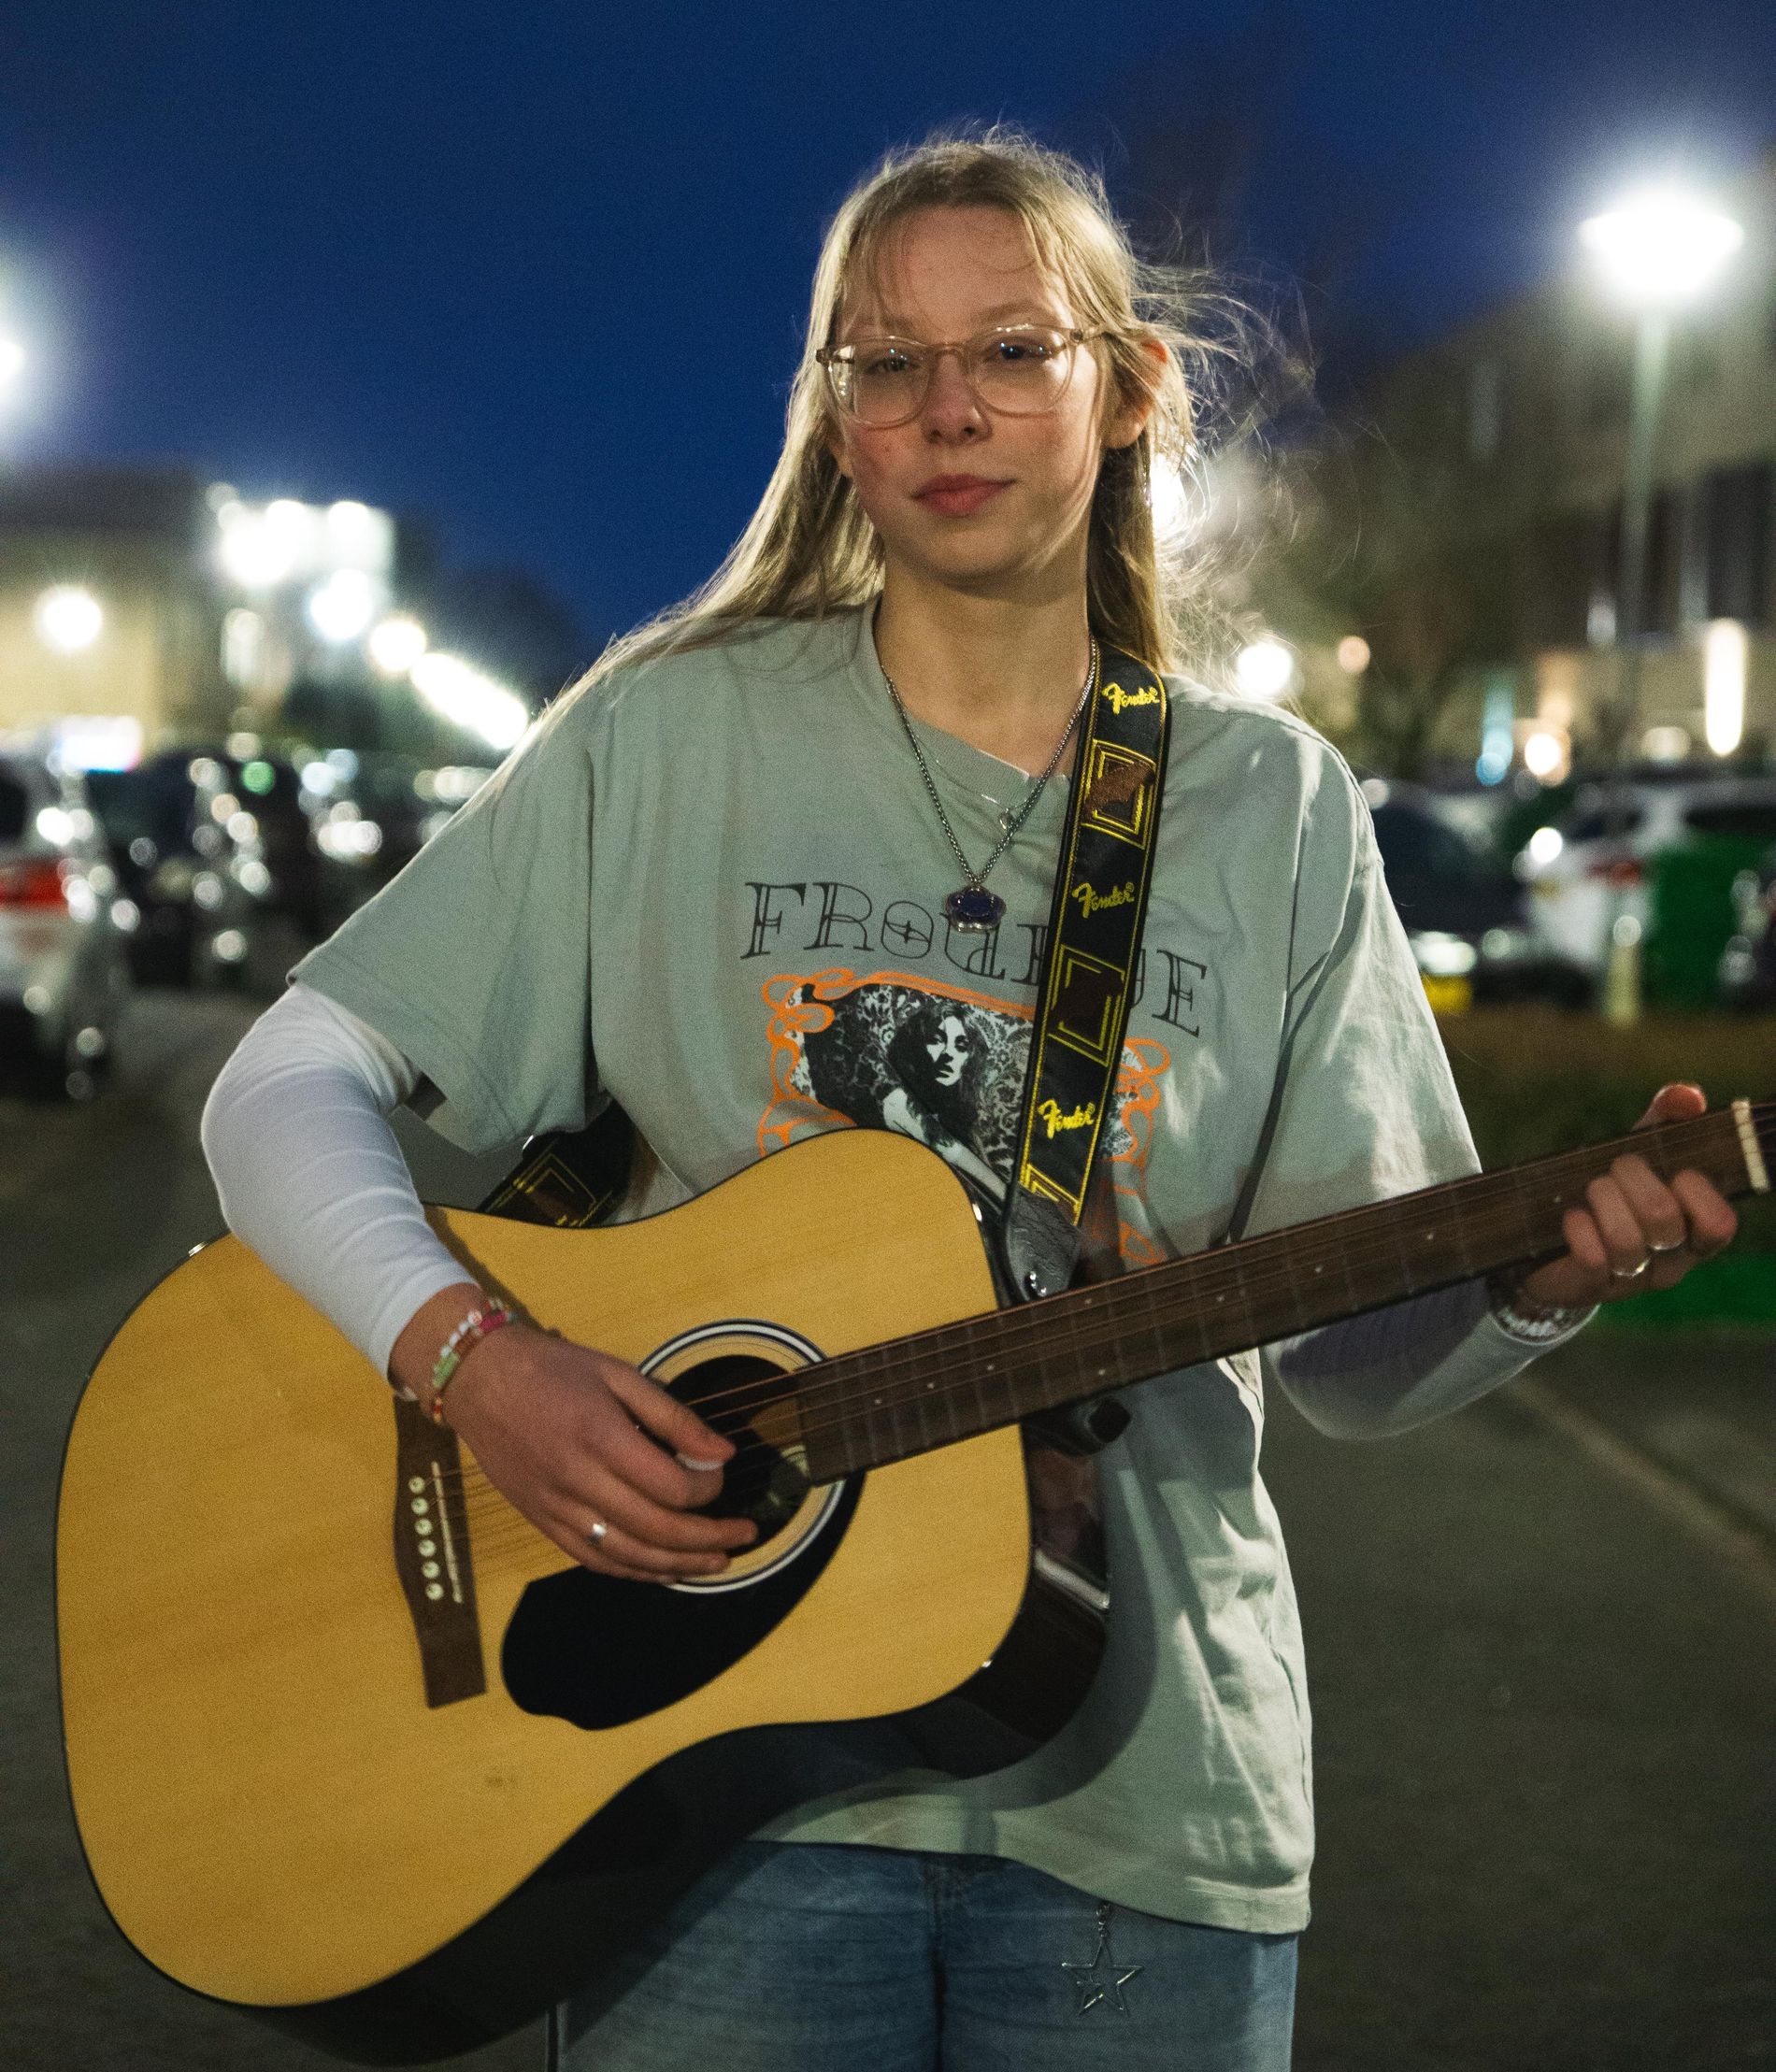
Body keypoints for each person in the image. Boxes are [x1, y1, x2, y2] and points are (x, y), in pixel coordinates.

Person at [201, 127, 1740, 2072]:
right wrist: (475, 1361)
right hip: (707, 1792)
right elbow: (280, 1084)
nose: (949, 410)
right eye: (888, 361)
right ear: (831, 411)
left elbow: (1346, 1359)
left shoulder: (1264, 805)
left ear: (1129, 389)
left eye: (1012, 351)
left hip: (1145, 1798)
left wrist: (1541, 1276)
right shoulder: (670, 735)